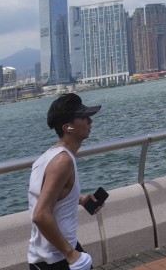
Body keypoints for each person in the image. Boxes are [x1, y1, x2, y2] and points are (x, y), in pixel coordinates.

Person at [27, 93, 104, 270]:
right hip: (57, 259)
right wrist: (71, 254)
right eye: (84, 118)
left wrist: (80, 199)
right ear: (68, 127)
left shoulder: (47, 157)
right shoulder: (63, 162)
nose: (90, 122)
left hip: (54, 254)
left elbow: (47, 197)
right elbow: (40, 215)